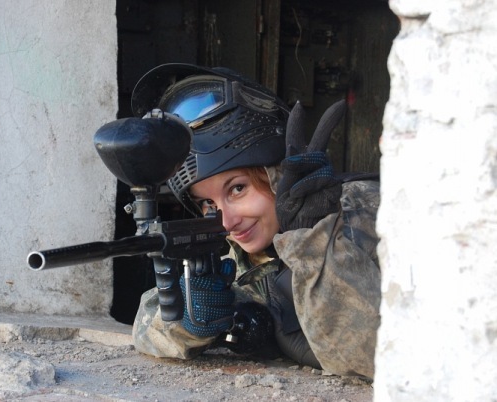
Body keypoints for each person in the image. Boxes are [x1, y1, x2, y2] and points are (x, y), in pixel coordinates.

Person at [130, 63, 381, 379]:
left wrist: (312, 243)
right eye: (208, 203)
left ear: (276, 173)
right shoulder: (249, 260)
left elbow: (381, 358)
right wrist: (192, 320)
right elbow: (144, 328)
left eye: (237, 189)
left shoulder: (366, 210)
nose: (227, 222)